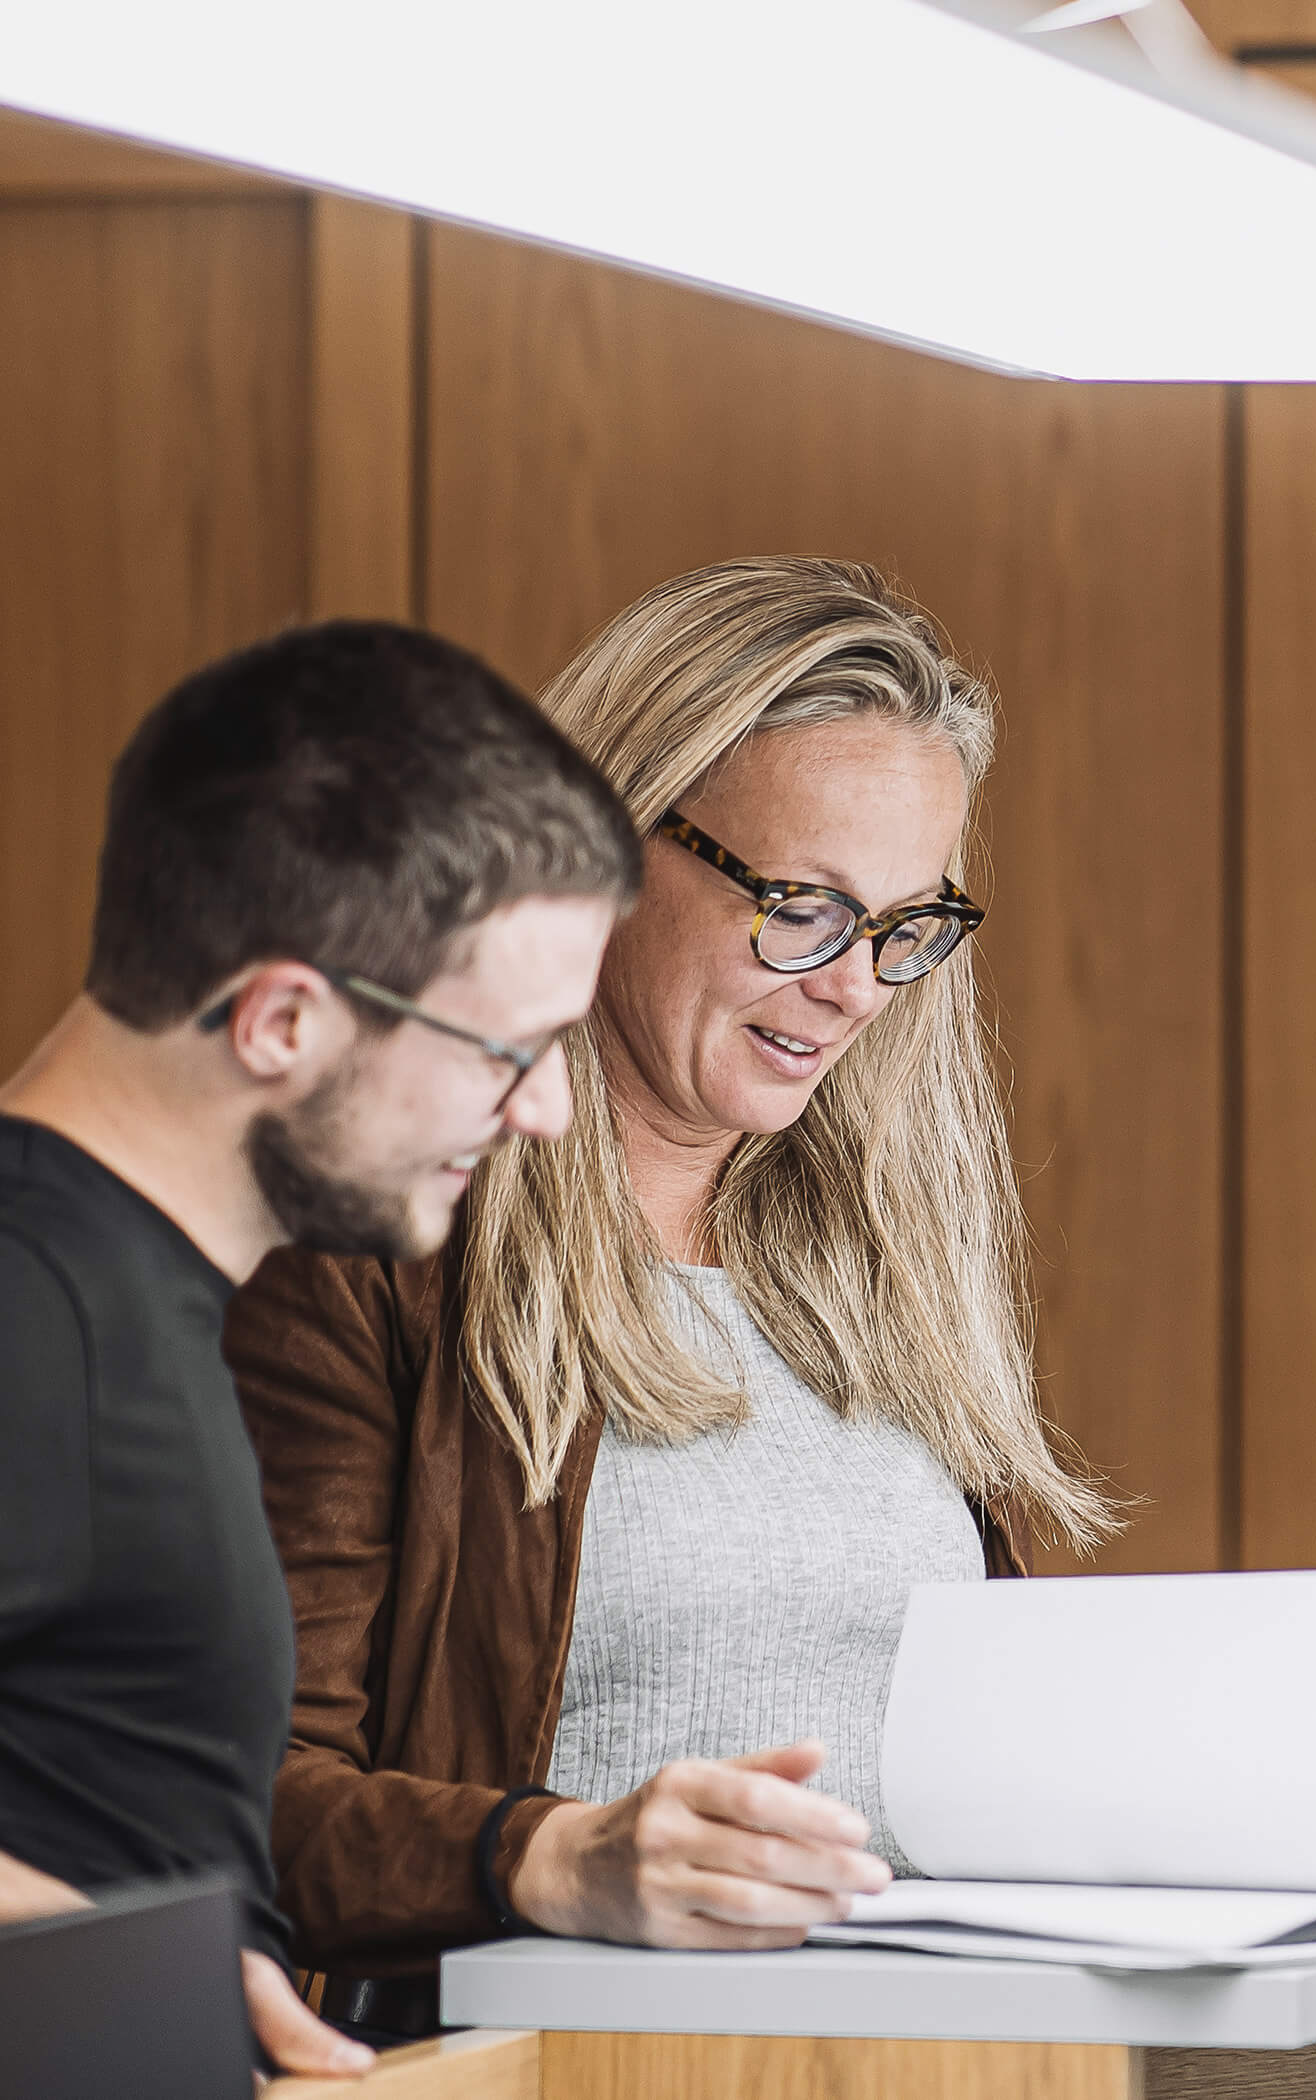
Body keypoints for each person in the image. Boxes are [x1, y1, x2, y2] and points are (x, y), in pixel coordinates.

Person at [226, 559, 1116, 2039]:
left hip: (941, 2059)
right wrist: (559, 1857)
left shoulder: (882, 1260)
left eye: (906, 929)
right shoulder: (374, 1238)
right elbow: (233, 1798)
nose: (854, 990)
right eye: (805, 908)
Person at [0, 621, 639, 2075]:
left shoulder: (135, 1296)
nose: (543, 1113)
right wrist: (123, 1972)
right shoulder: (35, 1313)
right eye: (508, 1051)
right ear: (284, 1019)